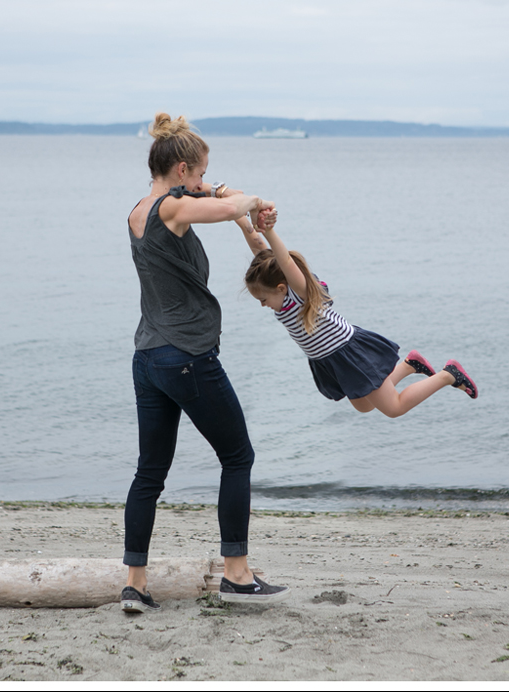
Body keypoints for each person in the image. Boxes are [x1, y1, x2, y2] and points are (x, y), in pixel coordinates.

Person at [121, 112, 289, 612]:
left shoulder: (139, 210)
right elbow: (226, 205)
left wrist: (218, 194)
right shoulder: (174, 208)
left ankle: (135, 583)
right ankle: (236, 574)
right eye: (198, 173)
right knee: (238, 457)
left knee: (150, 472)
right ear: (180, 170)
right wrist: (253, 202)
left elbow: (213, 201)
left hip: (148, 357)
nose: (202, 182)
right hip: (187, 355)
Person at [244, 222, 478, 418]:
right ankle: (410, 365)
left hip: (347, 352)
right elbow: (262, 253)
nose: (263, 305)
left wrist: (269, 231)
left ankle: (448, 374)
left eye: (263, 299)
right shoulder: (279, 295)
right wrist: (241, 220)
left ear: (281, 288)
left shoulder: (300, 294)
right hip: (329, 359)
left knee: (393, 408)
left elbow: (284, 261)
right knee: (364, 405)